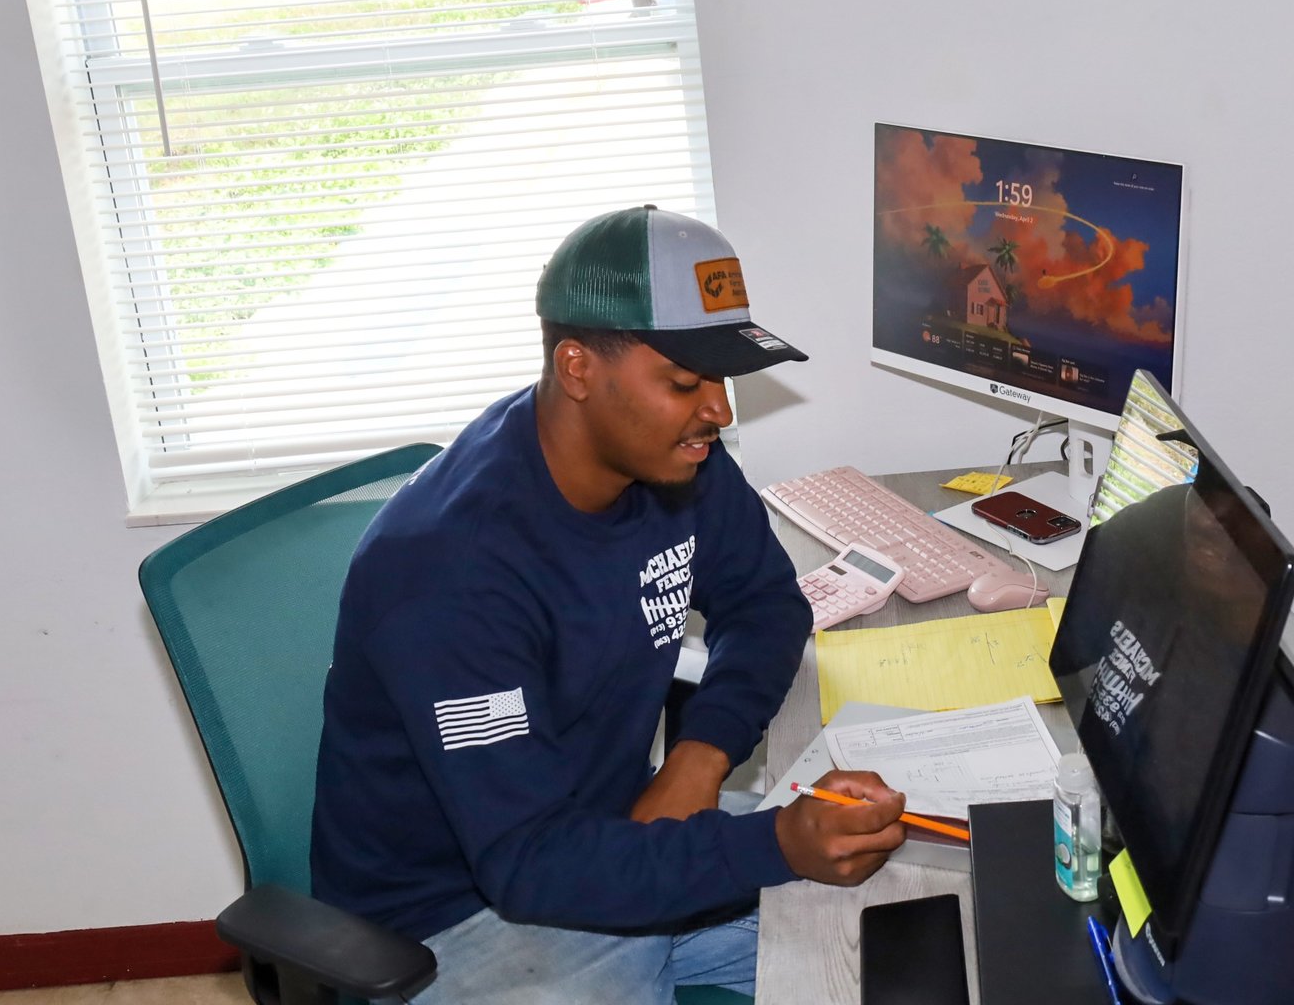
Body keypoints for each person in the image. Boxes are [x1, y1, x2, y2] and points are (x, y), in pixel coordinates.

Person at [310, 204, 908, 1003]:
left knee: (885, 926)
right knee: (805, 913)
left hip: (599, 832)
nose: (719, 412)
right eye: (685, 382)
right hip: (452, 921)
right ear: (579, 368)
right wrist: (773, 845)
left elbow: (765, 603)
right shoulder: (448, 572)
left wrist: (700, 759)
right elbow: (526, 866)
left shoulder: (670, 461)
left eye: (722, 379)